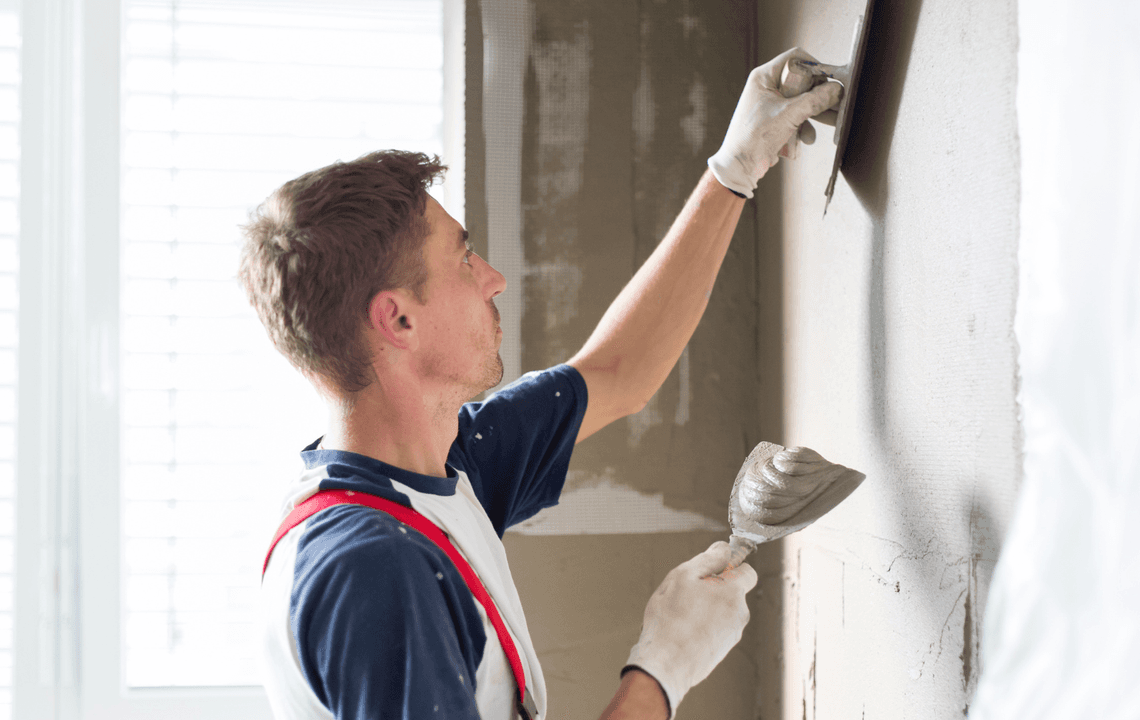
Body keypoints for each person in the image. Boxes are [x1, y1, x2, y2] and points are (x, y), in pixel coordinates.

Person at [243, 47, 840, 720]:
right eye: (463, 258)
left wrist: (736, 167)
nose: (493, 278)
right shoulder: (377, 574)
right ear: (399, 319)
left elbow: (616, 372)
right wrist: (661, 671)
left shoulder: (433, 470)